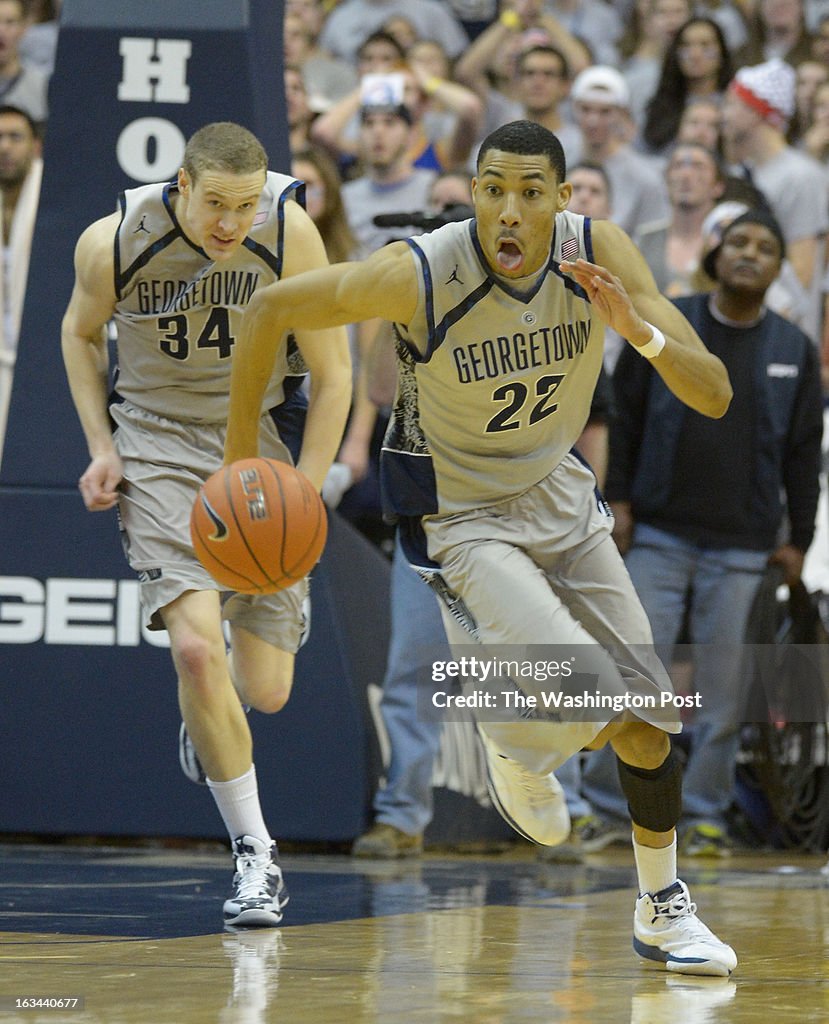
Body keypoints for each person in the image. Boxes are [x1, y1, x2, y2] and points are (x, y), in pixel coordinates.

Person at [225, 119, 738, 977]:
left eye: (529, 192)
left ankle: (660, 907)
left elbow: (714, 393)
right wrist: (245, 457)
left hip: (558, 495)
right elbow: (273, 306)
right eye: (491, 188)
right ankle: (513, 739)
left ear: (561, 200)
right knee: (585, 687)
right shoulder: (419, 272)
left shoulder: (596, 253)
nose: (507, 210)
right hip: (460, 513)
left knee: (650, 726)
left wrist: (635, 328)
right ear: (472, 191)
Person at [60, 122, 352, 928]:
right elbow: (78, 334)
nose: (231, 224)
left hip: (253, 451)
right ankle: (256, 855)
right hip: (153, 442)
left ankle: (215, 719)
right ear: (181, 184)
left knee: (267, 689)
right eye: (215, 204)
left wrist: (307, 489)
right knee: (194, 650)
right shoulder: (114, 241)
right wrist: (100, 446)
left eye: (245, 206)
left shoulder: (289, 229)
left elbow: (333, 377)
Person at [590, 208, 823, 857]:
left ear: (779, 269)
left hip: (745, 547)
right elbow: (625, 415)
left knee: (721, 694)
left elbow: (804, 453)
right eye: (738, 242)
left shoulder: (791, 349)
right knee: (629, 674)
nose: (749, 254)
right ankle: (607, 810)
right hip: (658, 533)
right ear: (716, 254)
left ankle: (701, 816)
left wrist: (797, 539)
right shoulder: (670, 319)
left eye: (765, 248)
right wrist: (618, 500)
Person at [0, 103, 41, 467]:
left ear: (35, 145)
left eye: (15, 137)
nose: (5, 147)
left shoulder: (51, 195)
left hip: (39, 356)